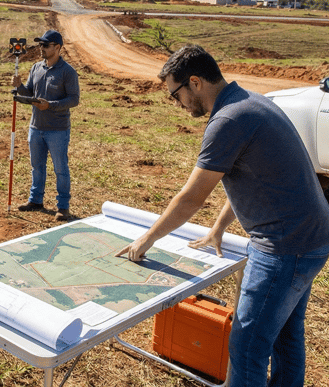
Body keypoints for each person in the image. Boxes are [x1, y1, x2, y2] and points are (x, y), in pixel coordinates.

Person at [115, 44, 329, 387]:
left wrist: (147, 238)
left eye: (175, 95)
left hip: (284, 248)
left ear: (195, 82)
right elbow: (254, 177)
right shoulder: (251, 101)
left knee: (247, 350)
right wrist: (218, 227)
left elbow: (191, 198)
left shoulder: (228, 120)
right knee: (285, 338)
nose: (178, 104)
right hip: (312, 239)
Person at [11, 29, 80, 221]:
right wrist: (19, 87)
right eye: (40, 44)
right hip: (36, 127)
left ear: (57, 48)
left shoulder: (68, 72)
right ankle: (35, 201)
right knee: (37, 166)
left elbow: (74, 99)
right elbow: (29, 93)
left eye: (45, 45)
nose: (41, 48)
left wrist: (50, 105)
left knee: (60, 169)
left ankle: (63, 207)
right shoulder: (36, 68)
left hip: (58, 130)